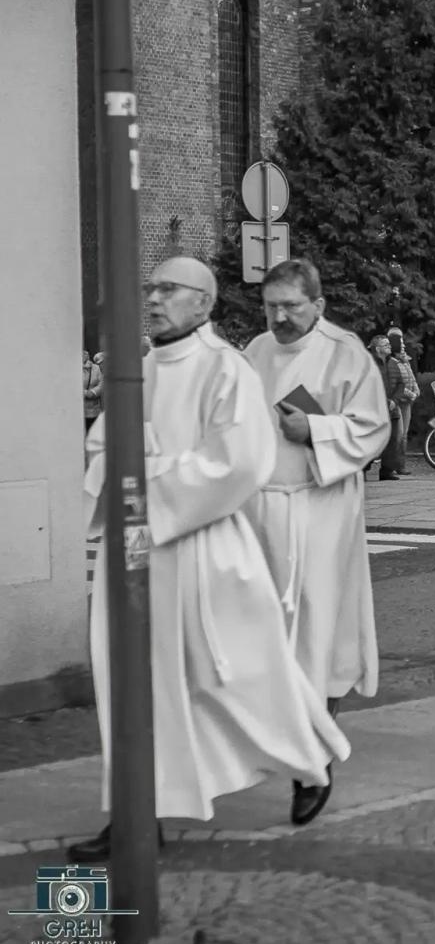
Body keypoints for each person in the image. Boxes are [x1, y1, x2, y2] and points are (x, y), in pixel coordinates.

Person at [68, 256, 349, 862]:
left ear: (204, 303)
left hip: (206, 547)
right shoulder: (136, 372)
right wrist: (130, 477)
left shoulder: (227, 369)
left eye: (169, 289)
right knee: (132, 677)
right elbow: (103, 449)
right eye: (151, 288)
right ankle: (137, 810)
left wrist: (148, 478)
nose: (153, 298)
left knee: (242, 675)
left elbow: (240, 462)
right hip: (141, 546)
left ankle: (310, 760)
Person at [242, 259, 389, 823]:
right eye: (271, 306)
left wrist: (318, 430)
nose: (280, 317)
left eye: (291, 307)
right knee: (265, 635)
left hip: (320, 508)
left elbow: (375, 427)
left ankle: (315, 755)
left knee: (317, 631)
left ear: (318, 305)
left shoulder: (345, 350)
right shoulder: (254, 352)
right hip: (262, 509)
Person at [385, 327, 420, 474]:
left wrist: (416, 390)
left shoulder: (405, 361)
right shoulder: (392, 362)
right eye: (401, 342)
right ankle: (391, 466)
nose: (404, 345)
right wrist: (409, 394)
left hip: (407, 402)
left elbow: (411, 378)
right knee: (397, 435)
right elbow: (397, 384)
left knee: (404, 435)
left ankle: (400, 465)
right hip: (398, 401)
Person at [369, 334, 403, 481]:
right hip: (374, 408)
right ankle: (362, 468)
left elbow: (401, 384)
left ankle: (387, 471)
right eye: (385, 345)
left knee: (392, 439)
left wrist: (394, 400)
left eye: (389, 344)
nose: (389, 346)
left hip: (391, 408)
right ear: (377, 348)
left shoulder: (393, 363)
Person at [82, 350, 104, 434]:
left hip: (93, 409)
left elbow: (102, 383)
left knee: (92, 431)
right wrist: (84, 393)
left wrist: (93, 392)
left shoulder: (95, 368)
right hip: (76, 407)